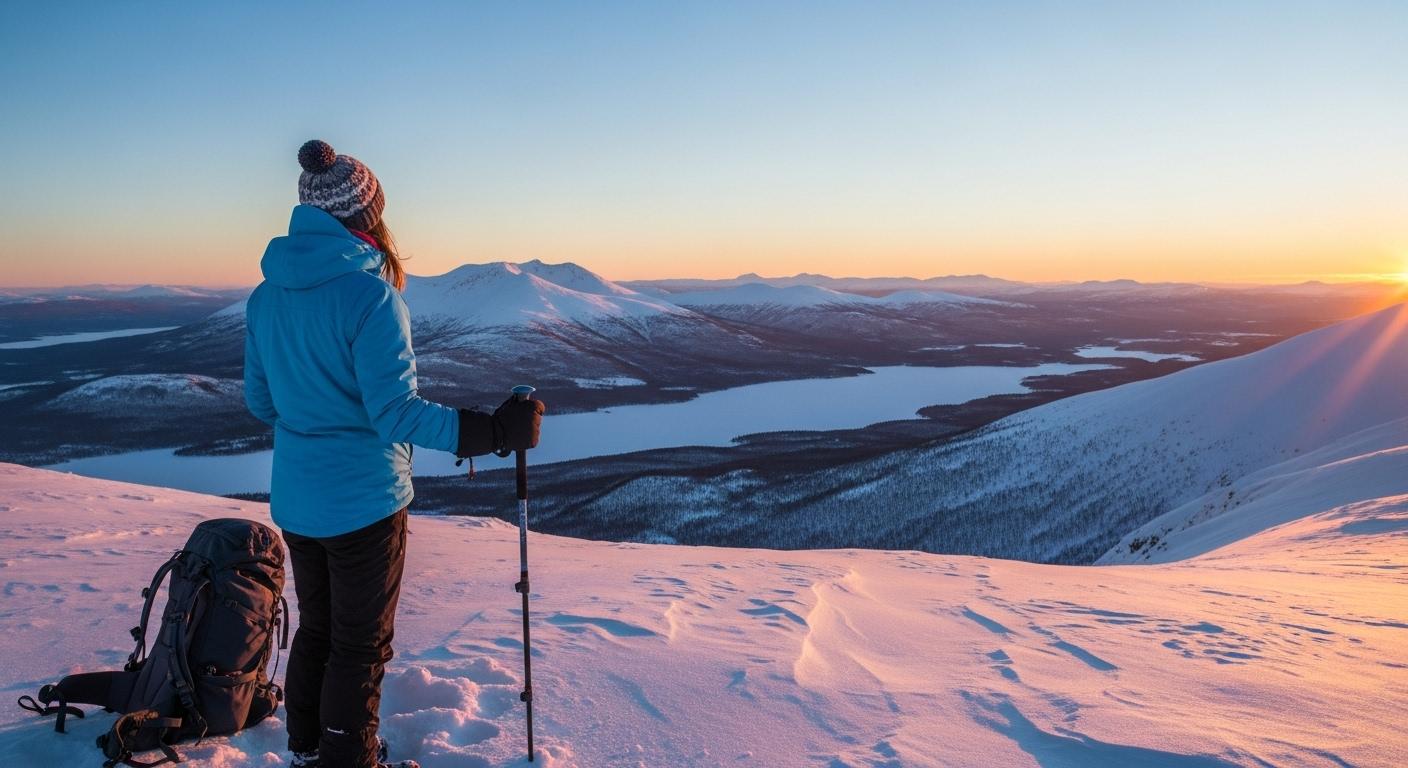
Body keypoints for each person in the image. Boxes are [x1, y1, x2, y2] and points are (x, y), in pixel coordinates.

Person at [243, 139, 545, 768]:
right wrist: (494, 434)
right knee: (361, 645)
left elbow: (263, 405)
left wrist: (314, 415)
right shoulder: (370, 297)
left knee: (319, 631)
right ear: (369, 213)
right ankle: (350, 759)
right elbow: (396, 416)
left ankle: (306, 751)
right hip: (365, 502)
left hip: (296, 501)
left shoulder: (266, 296)